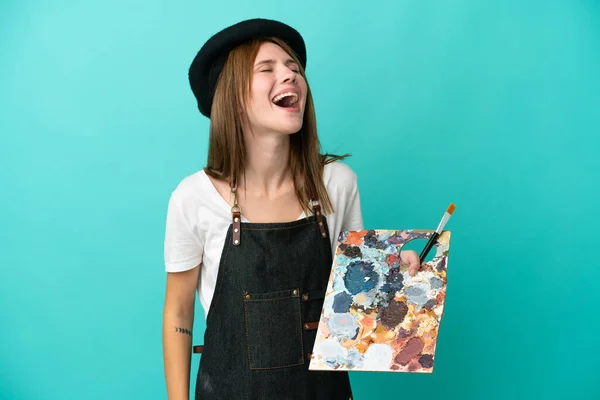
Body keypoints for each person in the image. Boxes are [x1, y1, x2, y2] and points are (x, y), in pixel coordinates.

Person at [161, 18, 421, 400]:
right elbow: (178, 314)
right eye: (267, 69)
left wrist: (398, 276)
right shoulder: (193, 197)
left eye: (294, 68)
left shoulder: (337, 183)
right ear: (232, 97)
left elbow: (357, 303)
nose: (290, 76)